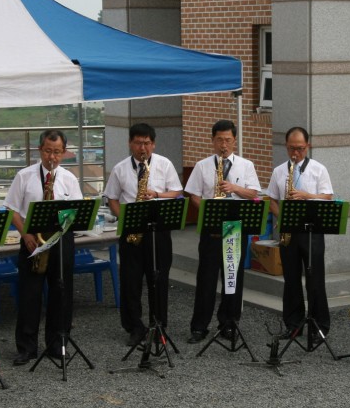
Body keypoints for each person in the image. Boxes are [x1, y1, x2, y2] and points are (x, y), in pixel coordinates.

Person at [4, 129, 83, 366]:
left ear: (64, 152)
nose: (52, 157)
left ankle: (57, 344)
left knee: (62, 293)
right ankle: (26, 348)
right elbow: (11, 208)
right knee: (30, 294)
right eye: (48, 151)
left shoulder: (69, 178)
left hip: (61, 240)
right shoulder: (25, 176)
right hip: (32, 240)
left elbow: (76, 211)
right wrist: (26, 234)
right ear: (40, 150)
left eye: (57, 152)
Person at [104, 123, 183, 347]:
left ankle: (158, 325)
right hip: (132, 232)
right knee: (130, 282)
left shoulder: (164, 164)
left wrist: (157, 194)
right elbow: (111, 197)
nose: (143, 148)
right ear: (130, 143)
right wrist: (124, 220)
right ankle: (134, 327)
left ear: (153, 144)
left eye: (147, 143)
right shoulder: (120, 168)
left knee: (159, 279)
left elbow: (176, 191)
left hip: (158, 231)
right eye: (138, 143)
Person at [184, 119, 261, 344]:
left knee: (232, 279)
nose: (223, 145)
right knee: (206, 279)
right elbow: (193, 194)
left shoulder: (246, 165)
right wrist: (207, 210)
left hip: (234, 228)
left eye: (228, 140)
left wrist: (234, 188)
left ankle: (229, 323)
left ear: (234, 141)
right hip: (211, 227)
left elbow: (253, 193)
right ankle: (199, 327)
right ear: (213, 141)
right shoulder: (202, 166)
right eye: (219, 140)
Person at [266, 127, 334, 345]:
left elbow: (327, 197)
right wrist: (282, 216)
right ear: (286, 147)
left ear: (308, 146)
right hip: (289, 232)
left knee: (315, 280)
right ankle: (293, 324)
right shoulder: (279, 171)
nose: (296, 153)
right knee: (291, 280)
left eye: (300, 149)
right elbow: (271, 200)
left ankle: (319, 326)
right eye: (292, 148)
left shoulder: (318, 169)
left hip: (312, 231)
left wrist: (307, 196)